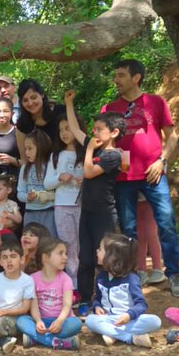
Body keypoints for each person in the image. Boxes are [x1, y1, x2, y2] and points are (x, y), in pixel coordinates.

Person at [103, 58, 179, 297]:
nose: (116, 80)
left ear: (136, 77)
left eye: (121, 75)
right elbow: (102, 141)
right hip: (123, 177)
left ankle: (173, 274)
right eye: (115, 75)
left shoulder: (156, 102)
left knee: (166, 223)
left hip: (153, 174)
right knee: (128, 229)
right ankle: (131, 276)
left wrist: (162, 161)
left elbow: (172, 135)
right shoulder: (110, 108)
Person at [65, 92, 125, 305]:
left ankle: (106, 299)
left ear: (114, 132)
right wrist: (69, 103)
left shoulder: (113, 155)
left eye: (99, 129)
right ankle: (84, 298)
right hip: (87, 212)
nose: (94, 132)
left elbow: (88, 172)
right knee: (86, 258)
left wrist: (89, 149)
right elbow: (75, 130)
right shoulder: (95, 148)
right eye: (94, 128)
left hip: (104, 214)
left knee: (104, 258)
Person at [84, 234, 161, 347]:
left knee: (155, 321)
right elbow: (97, 298)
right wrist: (97, 306)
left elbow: (141, 304)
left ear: (111, 257)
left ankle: (112, 334)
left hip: (129, 319)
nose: (97, 250)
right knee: (90, 320)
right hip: (108, 318)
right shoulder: (101, 277)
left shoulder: (131, 278)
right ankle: (129, 338)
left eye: (100, 249)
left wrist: (129, 315)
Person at [17, 236, 82, 350]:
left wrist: (59, 321)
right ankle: (57, 342)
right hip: (42, 322)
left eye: (65, 253)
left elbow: (67, 305)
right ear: (46, 257)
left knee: (76, 323)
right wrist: (38, 321)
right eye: (60, 253)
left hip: (62, 321)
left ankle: (35, 338)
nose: (65, 257)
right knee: (21, 321)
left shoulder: (66, 279)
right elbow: (34, 305)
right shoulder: (32, 279)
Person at [47, 114, 84, 281]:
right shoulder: (56, 156)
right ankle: (73, 282)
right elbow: (47, 183)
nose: (64, 133)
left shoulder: (87, 153)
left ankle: (86, 280)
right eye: (61, 130)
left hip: (83, 204)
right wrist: (59, 178)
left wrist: (84, 179)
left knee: (83, 243)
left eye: (68, 128)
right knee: (68, 244)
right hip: (62, 206)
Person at [17, 130, 56, 235]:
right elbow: (20, 192)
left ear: (41, 147)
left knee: (49, 240)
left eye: (30, 148)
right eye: (25, 149)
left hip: (49, 211)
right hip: (30, 212)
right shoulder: (25, 168)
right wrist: (27, 197)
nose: (26, 152)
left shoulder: (50, 165)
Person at [15, 78, 59, 151]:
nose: (30, 103)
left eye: (33, 97)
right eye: (25, 100)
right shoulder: (22, 125)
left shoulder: (60, 112)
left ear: (42, 94)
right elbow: (24, 156)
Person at [136, 201, 165, 286]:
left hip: (149, 199)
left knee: (151, 234)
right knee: (140, 236)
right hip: (134, 200)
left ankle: (157, 269)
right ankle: (141, 270)